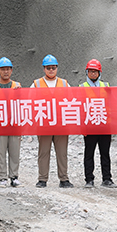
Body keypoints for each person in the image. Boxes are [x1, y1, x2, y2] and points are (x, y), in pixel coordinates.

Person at [32, 55, 73, 188]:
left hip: (61, 124)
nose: (51, 70)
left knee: (62, 153)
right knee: (44, 152)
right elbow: (29, 101)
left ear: (57, 68)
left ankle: (64, 179)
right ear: (44, 69)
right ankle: (42, 179)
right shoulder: (36, 84)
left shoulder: (64, 83)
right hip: (44, 124)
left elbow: (72, 101)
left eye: (53, 68)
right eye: (48, 68)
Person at [79, 59, 114, 188]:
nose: (93, 73)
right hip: (90, 125)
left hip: (104, 125)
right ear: (87, 72)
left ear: (99, 73)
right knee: (89, 154)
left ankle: (107, 179)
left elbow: (112, 104)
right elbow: (80, 108)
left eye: (95, 71)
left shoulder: (106, 86)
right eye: (91, 71)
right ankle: (89, 179)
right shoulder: (82, 87)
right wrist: (82, 127)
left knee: (105, 153)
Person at [0, 57, 22, 187]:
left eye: (8, 69)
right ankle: (2, 177)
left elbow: (23, 105)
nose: (6, 72)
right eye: (3, 69)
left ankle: (14, 177)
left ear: (11, 70)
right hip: (0, 124)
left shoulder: (17, 86)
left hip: (14, 124)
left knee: (14, 152)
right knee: (0, 152)